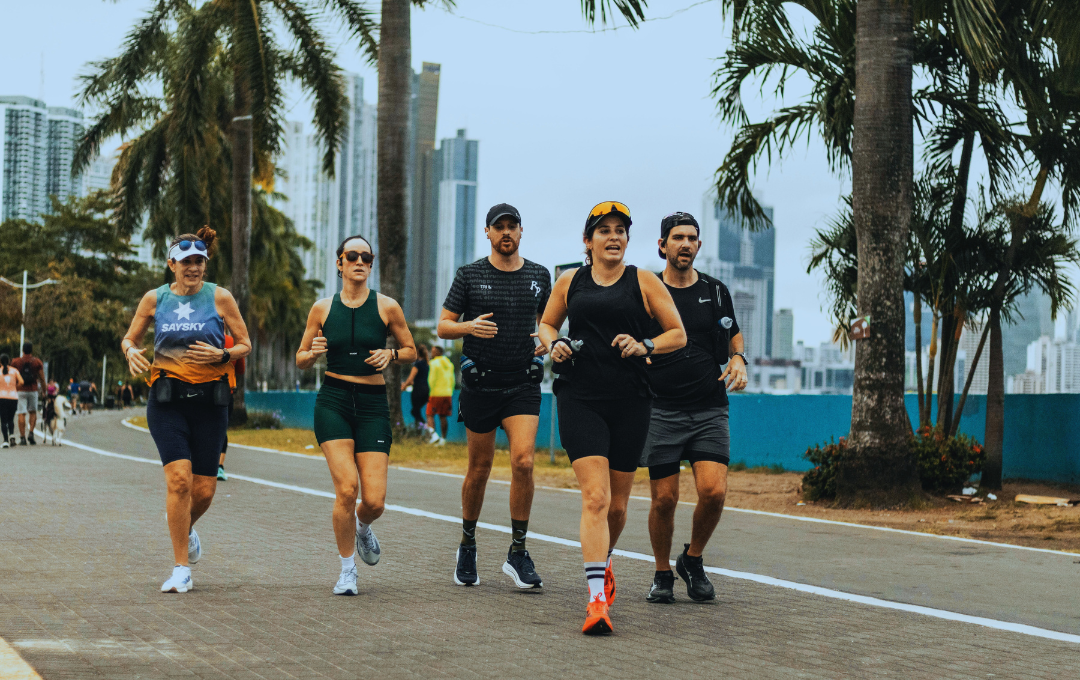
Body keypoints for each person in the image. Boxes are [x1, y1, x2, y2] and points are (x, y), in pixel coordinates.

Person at [538, 201, 685, 635]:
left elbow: (677, 333)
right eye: (604, 230)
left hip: (631, 399)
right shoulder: (570, 281)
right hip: (579, 396)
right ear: (588, 241)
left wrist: (646, 345)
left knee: (618, 507)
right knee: (596, 499)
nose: (614, 236)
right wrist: (553, 345)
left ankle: (603, 562)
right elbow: (547, 325)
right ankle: (596, 599)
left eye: (621, 230)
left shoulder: (643, 281)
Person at [121, 227, 252, 594]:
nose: (192, 268)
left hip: (210, 403)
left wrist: (223, 354)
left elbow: (245, 344)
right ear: (171, 264)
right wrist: (130, 350)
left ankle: (185, 526)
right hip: (167, 402)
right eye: (185, 262)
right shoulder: (154, 299)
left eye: (199, 262)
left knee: (204, 491)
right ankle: (181, 568)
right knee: (179, 480)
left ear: (205, 265)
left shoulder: (220, 297)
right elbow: (130, 338)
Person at [437, 203, 552, 589]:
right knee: (480, 469)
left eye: (512, 226)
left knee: (523, 462)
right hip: (480, 385)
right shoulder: (469, 275)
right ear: (487, 232)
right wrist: (469, 326)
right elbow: (443, 326)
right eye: (499, 227)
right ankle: (467, 544)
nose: (506, 233)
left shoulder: (539, 275)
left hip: (522, 384)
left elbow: (549, 322)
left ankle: (518, 552)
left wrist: (547, 342)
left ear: (521, 232)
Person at [295, 234, 417, 597]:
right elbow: (300, 359)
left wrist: (392, 356)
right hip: (333, 401)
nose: (359, 261)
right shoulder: (321, 308)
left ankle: (363, 528)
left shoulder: (387, 307)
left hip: (372, 404)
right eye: (352, 256)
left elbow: (411, 349)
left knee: (375, 500)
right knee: (347, 488)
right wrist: (313, 353)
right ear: (340, 263)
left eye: (366, 256)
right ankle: (347, 571)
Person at [641, 212, 749, 604]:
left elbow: (734, 333)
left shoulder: (717, 291)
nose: (685, 244)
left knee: (714, 492)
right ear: (662, 245)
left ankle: (692, 559)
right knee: (664, 500)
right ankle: (662, 572)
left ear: (699, 245)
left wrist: (739, 359)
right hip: (661, 410)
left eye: (691, 238)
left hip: (708, 408)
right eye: (677, 237)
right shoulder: (647, 290)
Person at [11, 343, 45, 445]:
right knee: (33, 412)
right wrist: (44, 391)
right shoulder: (37, 362)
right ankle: (31, 433)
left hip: (20, 390)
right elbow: (42, 378)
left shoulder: (15, 362)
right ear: (31, 350)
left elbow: (12, 375)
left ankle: (22, 437)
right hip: (33, 389)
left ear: (22, 350)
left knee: (21, 413)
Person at [217, 332, 238, 481]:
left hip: (203, 389)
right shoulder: (233, 342)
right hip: (226, 390)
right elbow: (241, 368)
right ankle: (219, 466)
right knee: (221, 428)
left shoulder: (202, 337)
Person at [426, 346, 454, 444]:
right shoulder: (449, 364)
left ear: (438, 352)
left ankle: (433, 436)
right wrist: (450, 390)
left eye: (433, 351)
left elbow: (431, 379)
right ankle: (443, 439)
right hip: (447, 393)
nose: (431, 353)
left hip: (435, 393)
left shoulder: (433, 363)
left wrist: (429, 390)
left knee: (429, 414)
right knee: (443, 416)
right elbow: (452, 379)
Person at [401, 344, 430, 433]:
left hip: (418, 390)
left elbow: (410, 378)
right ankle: (419, 432)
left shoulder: (417, 364)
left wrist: (403, 387)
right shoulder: (427, 364)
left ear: (417, 353)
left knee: (414, 411)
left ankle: (427, 429)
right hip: (426, 390)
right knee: (416, 411)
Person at [0, 354, 23, 448]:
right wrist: (14, 388)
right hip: (13, 397)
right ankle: (12, 435)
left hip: (2, 397)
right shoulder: (14, 371)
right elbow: (21, 382)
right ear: (9, 361)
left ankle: (5, 440)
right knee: (11, 418)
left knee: (3, 420)